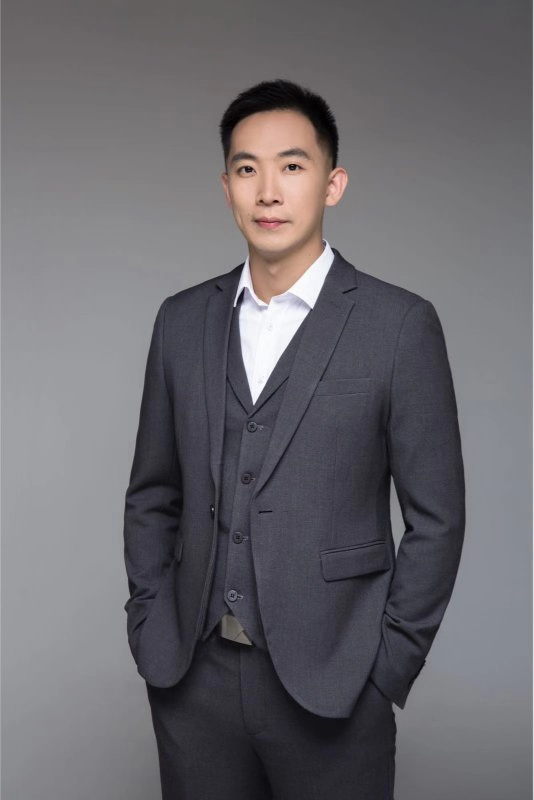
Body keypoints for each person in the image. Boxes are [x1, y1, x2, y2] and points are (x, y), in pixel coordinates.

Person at [123, 78, 466, 800]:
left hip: (336, 683)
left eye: (292, 166)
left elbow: (438, 519)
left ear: (332, 184)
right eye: (247, 168)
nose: (268, 191)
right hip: (192, 681)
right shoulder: (180, 321)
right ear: (227, 188)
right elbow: (153, 493)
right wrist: (150, 622)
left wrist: (386, 668)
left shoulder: (399, 326)